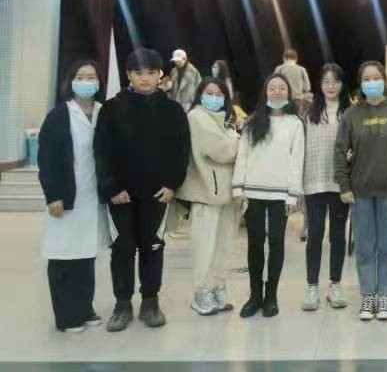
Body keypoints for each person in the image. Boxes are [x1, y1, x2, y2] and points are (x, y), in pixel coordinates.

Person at [94, 48, 190, 332]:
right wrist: (111, 187)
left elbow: (181, 151)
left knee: (153, 247)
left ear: (160, 75)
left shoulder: (172, 110)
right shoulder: (111, 109)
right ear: (129, 75)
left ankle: (150, 302)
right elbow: (101, 151)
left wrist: (172, 184)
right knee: (122, 249)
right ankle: (122, 304)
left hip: (157, 195)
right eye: (139, 72)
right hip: (120, 196)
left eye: (151, 72)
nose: (145, 78)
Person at [335, 61, 387, 322]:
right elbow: (340, 151)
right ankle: (368, 295)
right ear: (361, 83)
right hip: (360, 193)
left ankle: (384, 296)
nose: (372, 82)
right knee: (365, 247)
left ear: (384, 80)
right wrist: (344, 185)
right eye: (366, 79)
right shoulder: (351, 115)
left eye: (376, 77)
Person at [38, 60, 110, 333]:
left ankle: (84, 308)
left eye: (91, 77)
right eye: (81, 77)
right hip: (66, 197)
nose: (86, 82)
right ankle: (66, 316)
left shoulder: (103, 113)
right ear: (70, 81)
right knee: (62, 256)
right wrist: (53, 195)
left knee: (86, 255)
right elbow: (48, 158)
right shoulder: (59, 115)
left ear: (99, 82)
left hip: (92, 197)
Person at [233, 74, 305, 319]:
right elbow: (242, 156)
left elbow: (297, 160)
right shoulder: (252, 122)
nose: (277, 92)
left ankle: (271, 296)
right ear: (265, 92)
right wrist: (238, 189)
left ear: (288, 93)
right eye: (272, 88)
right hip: (253, 192)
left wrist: (293, 195)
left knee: (276, 242)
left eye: (281, 88)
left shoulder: (295, 124)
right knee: (254, 243)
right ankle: (255, 296)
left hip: (280, 195)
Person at [177, 78, 241, 317]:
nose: (214, 97)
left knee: (224, 245)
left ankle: (217, 287)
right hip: (206, 192)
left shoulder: (224, 120)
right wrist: (237, 139)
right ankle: (200, 291)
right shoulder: (197, 117)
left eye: (219, 93)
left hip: (228, 194)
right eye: (209, 92)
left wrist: (232, 136)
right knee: (204, 245)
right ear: (200, 95)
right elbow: (221, 150)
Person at [301, 63, 351, 312]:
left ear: (342, 84)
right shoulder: (309, 113)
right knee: (315, 235)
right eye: (326, 81)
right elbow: (301, 149)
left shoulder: (350, 113)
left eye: (335, 81)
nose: (331, 86)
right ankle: (312, 287)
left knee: (338, 236)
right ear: (319, 85)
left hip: (341, 184)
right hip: (314, 182)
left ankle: (335, 285)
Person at [274, 48, 312, 115]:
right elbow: (307, 87)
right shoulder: (302, 69)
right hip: (298, 99)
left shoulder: (279, 69)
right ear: (296, 59)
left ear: (284, 58)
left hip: (284, 99)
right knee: (298, 117)